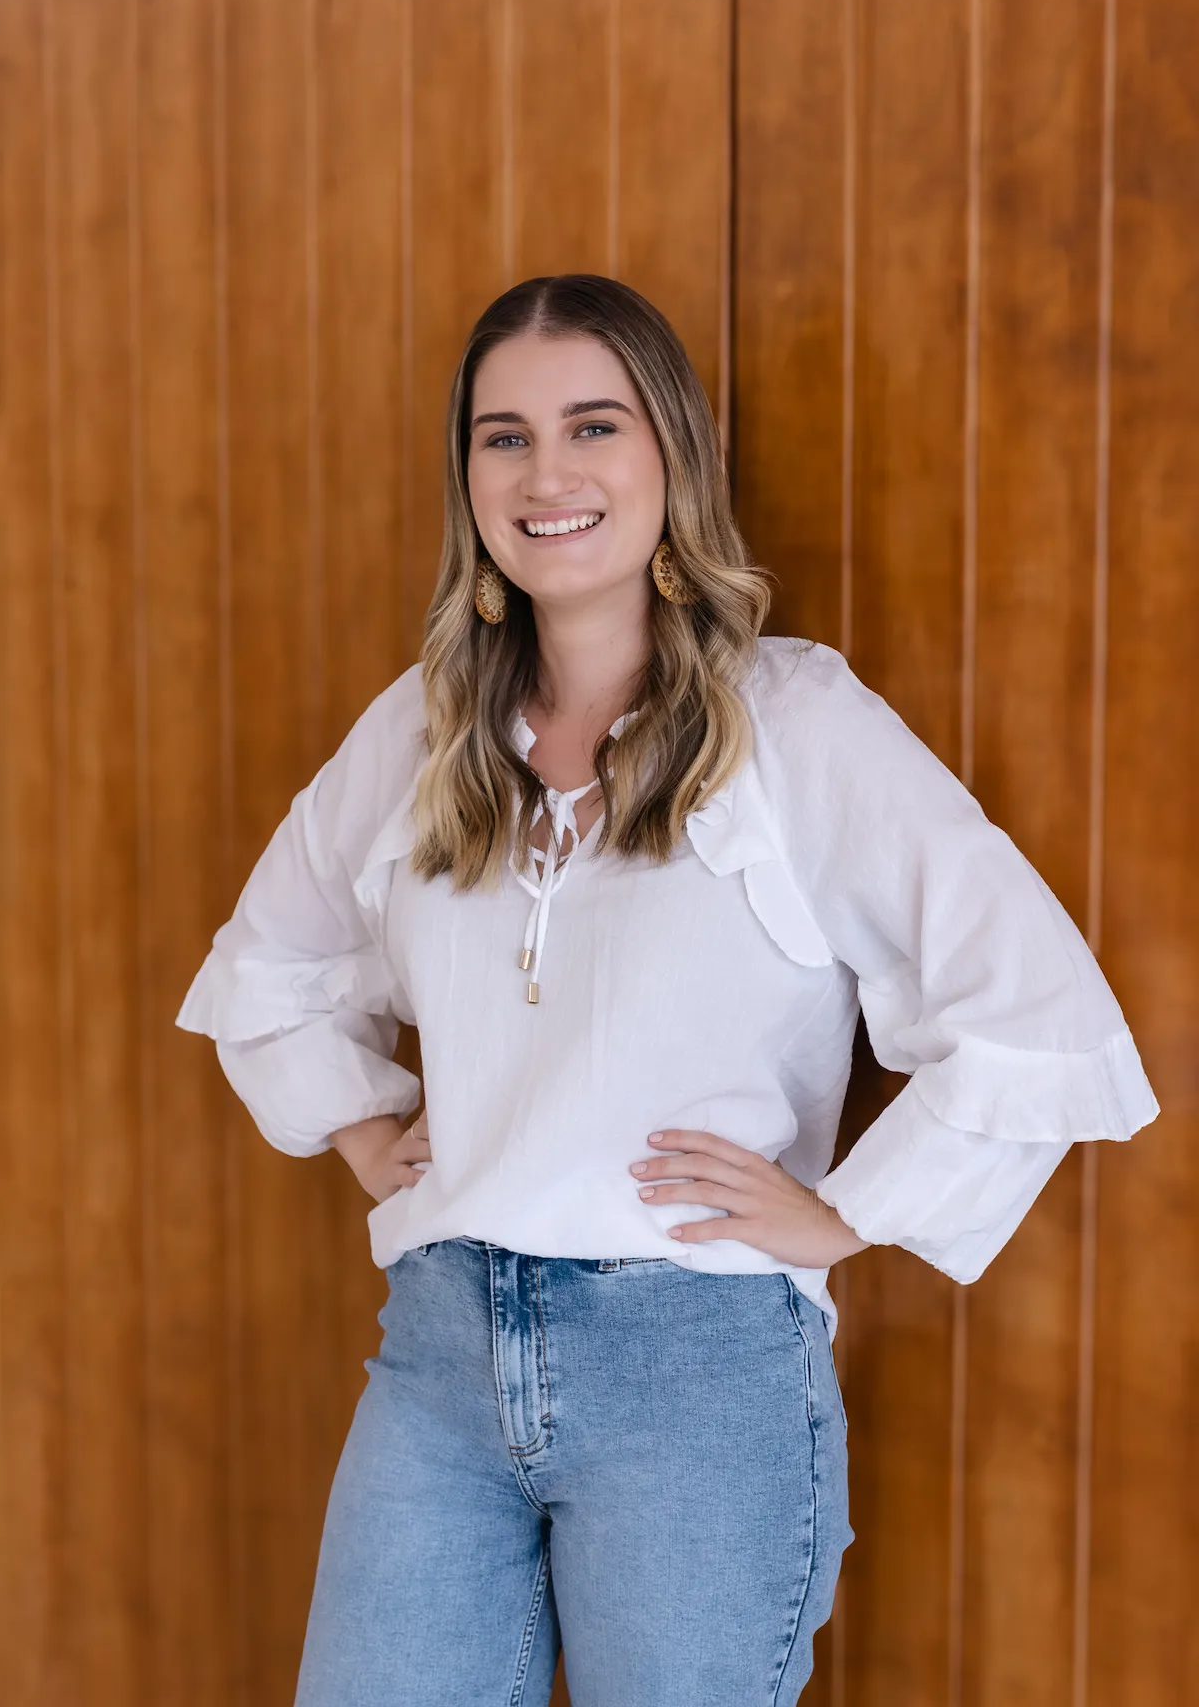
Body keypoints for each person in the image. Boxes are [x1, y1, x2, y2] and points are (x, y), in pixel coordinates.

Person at [177, 274, 1158, 1707]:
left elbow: (1039, 1011)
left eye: (593, 425)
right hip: (441, 1355)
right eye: (502, 436)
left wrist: (845, 1216)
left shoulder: (796, 723)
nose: (547, 474)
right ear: (468, 478)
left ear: (671, 458)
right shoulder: (427, 727)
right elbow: (267, 967)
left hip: (698, 1377)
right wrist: (360, 1128)